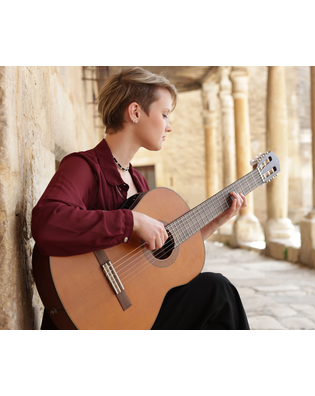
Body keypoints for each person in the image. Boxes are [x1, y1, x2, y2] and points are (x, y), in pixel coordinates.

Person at [32, 67, 250, 330]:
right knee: (219, 291)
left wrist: (215, 222)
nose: (169, 126)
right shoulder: (84, 166)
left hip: (133, 312)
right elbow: (46, 223)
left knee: (216, 295)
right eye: (165, 114)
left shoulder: (139, 182)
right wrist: (131, 221)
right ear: (135, 112)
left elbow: (159, 252)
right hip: (91, 315)